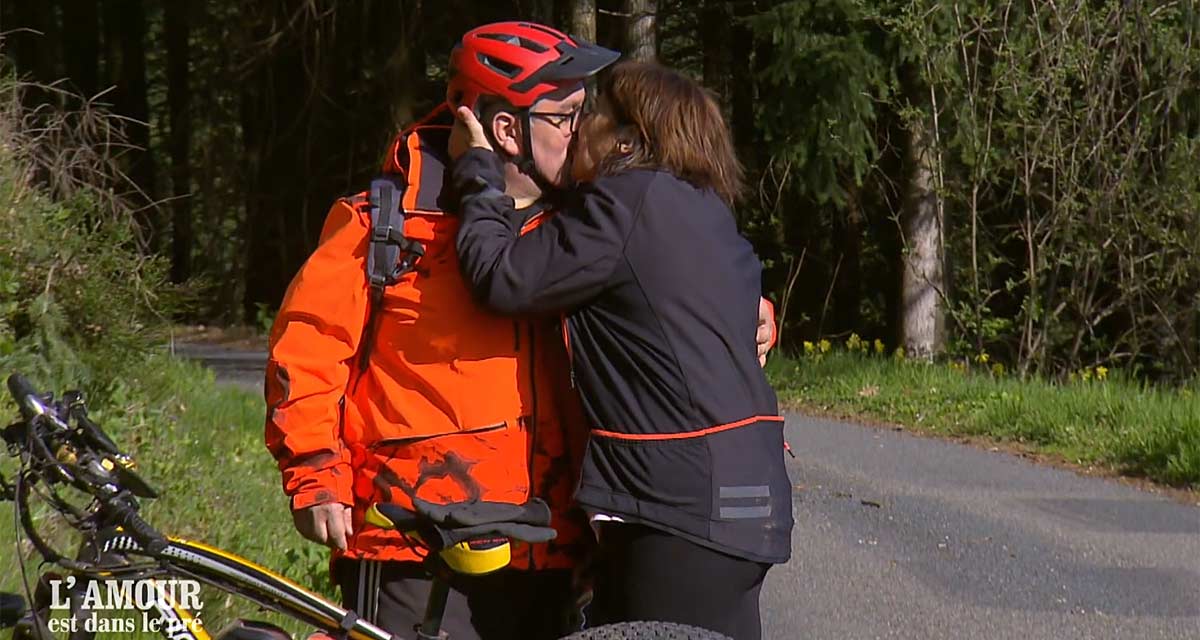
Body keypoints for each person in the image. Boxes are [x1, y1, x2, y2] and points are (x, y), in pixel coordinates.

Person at [265, 21, 778, 639]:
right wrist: (316, 473)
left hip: (549, 551)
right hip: (413, 545)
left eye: (582, 112)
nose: (582, 128)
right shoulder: (386, 225)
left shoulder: (583, 230)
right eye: (564, 116)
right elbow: (308, 349)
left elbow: (669, 296)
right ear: (506, 129)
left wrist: (750, 311)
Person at [449, 61, 793, 640]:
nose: (579, 124)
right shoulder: (702, 205)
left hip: (678, 507)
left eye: (594, 113)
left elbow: (501, 276)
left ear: (627, 139)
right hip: (746, 498)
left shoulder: (623, 201)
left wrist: (478, 172)